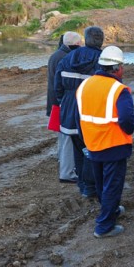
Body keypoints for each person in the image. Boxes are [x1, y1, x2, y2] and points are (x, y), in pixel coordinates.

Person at [76, 46, 134, 238]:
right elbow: (127, 120)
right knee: (112, 186)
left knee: (102, 183)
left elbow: (79, 117)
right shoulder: (119, 90)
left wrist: (86, 138)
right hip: (114, 145)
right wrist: (129, 131)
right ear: (117, 68)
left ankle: (111, 210)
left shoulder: (85, 85)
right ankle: (104, 226)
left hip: (93, 144)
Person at [55, 25, 104, 199]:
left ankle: (83, 186)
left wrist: (65, 103)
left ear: (85, 39)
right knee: (93, 149)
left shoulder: (69, 57)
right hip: (90, 111)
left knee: (78, 149)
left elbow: (57, 86)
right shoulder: (102, 59)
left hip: (69, 109)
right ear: (101, 41)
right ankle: (91, 187)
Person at [46, 31, 82, 183]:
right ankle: (67, 169)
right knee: (66, 133)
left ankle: (62, 160)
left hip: (56, 100)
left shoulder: (56, 55)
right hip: (60, 101)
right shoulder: (66, 57)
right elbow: (61, 83)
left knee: (62, 133)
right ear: (75, 44)